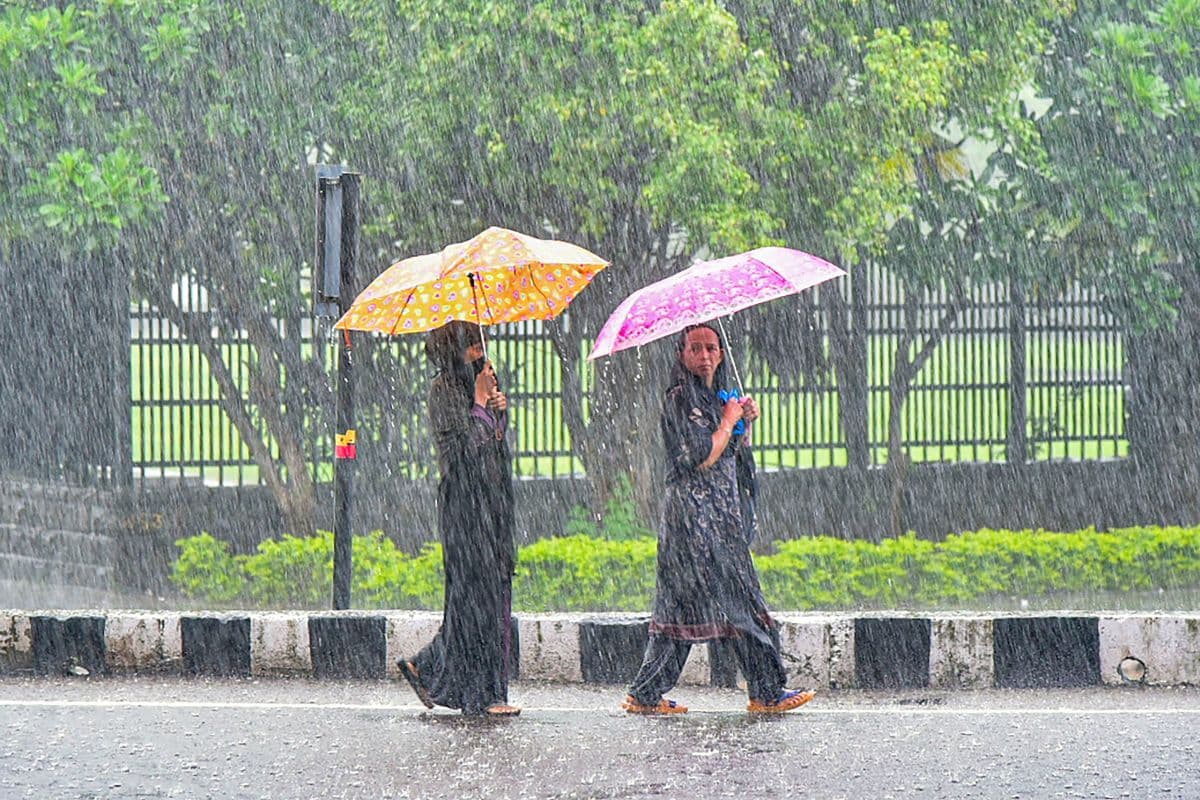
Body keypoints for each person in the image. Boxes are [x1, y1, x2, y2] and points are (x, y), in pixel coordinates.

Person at [622, 323, 815, 715]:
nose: (705, 355)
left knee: (685, 608)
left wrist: (744, 425)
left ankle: (645, 694)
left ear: (722, 354)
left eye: (712, 347)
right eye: (696, 348)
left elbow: (730, 458)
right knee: (735, 601)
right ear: (682, 355)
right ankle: (765, 690)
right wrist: (728, 422)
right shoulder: (680, 399)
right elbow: (701, 456)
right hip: (694, 524)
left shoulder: (716, 398)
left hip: (721, 520)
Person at [397, 320, 520, 717]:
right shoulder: (444, 391)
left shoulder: (481, 383)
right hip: (464, 508)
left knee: (491, 593)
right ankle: (483, 695)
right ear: (454, 350)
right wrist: (482, 407)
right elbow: (462, 453)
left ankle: (432, 667)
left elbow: (493, 452)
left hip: (492, 505)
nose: (480, 352)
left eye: (481, 342)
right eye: (471, 345)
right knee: (474, 599)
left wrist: (499, 415)